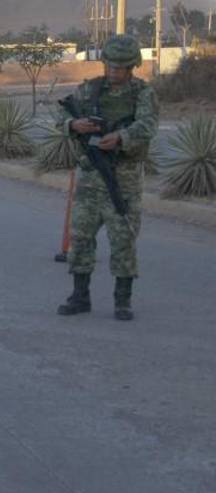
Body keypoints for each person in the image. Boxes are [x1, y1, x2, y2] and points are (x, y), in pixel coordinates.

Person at [56, 34, 158, 321]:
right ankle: (80, 296)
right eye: (111, 66)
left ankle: (122, 300)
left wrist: (121, 138)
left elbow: (148, 126)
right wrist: (74, 124)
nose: (115, 72)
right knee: (80, 237)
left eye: (121, 68)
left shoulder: (143, 93)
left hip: (122, 179)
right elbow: (59, 114)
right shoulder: (89, 90)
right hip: (90, 177)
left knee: (123, 239)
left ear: (133, 67)